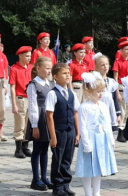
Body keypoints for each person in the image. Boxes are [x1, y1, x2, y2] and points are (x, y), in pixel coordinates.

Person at [76, 72, 117, 196]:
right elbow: (82, 126)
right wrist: (87, 143)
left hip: (102, 137)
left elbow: (107, 123)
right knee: (88, 168)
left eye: (102, 91)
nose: (101, 94)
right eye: (98, 91)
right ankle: (88, 192)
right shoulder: (84, 107)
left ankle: (97, 192)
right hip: (90, 137)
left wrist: (111, 139)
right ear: (89, 91)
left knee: (99, 166)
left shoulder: (103, 106)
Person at [46, 63, 80, 196]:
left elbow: (75, 113)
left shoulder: (71, 93)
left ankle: (66, 184)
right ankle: (57, 186)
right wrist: (53, 136)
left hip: (70, 130)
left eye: (68, 73)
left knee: (68, 158)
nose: (68, 75)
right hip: (59, 131)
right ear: (55, 76)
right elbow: (49, 116)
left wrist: (78, 132)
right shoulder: (53, 94)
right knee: (58, 158)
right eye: (64, 73)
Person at [26, 57, 55, 191]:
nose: (49, 70)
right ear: (38, 68)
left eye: (50, 68)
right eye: (47, 68)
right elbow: (32, 106)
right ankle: (35, 179)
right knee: (37, 149)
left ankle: (44, 177)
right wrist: (34, 125)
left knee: (45, 149)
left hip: (48, 118)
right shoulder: (33, 85)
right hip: (38, 119)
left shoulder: (51, 84)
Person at [10, 46, 34, 158]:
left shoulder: (32, 68)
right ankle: (18, 148)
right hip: (20, 98)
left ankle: (25, 146)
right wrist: (13, 104)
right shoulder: (14, 69)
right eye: (27, 56)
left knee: (28, 124)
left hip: (31, 98)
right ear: (20, 56)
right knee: (20, 124)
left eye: (30, 56)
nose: (29, 58)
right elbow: (12, 87)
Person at [112, 40, 128, 142]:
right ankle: (120, 133)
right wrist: (116, 92)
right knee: (122, 110)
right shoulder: (118, 61)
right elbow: (115, 78)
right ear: (121, 50)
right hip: (121, 86)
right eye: (126, 49)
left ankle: (125, 131)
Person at [94, 54, 119, 131]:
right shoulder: (94, 80)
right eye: (102, 65)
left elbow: (114, 98)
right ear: (96, 67)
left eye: (107, 64)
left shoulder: (111, 81)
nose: (105, 66)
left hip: (109, 108)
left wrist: (118, 113)